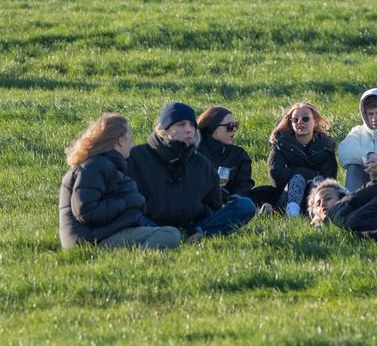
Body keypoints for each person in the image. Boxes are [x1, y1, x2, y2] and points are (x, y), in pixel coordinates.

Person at [126, 102, 256, 239]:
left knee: (245, 206)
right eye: (181, 124)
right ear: (164, 129)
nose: (188, 129)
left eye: (192, 125)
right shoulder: (136, 157)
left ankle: (197, 235)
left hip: (190, 225)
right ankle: (167, 235)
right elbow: (124, 200)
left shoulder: (202, 164)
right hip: (150, 224)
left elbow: (213, 206)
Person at [60, 113, 183, 250]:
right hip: (91, 242)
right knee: (170, 235)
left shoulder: (103, 165)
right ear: (121, 141)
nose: (132, 142)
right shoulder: (94, 167)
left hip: (98, 236)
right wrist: (126, 202)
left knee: (165, 231)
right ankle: (139, 262)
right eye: (130, 136)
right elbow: (85, 211)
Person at [267, 101, 338, 217]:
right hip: (286, 196)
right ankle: (292, 216)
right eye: (295, 120)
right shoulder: (281, 144)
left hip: (316, 195)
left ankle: (318, 214)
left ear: (315, 122)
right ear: (291, 124)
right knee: (298, 179)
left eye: (305, 119)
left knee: (319, 180)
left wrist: (310, 178)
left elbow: (329, 178)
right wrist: (305, 174)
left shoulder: (326, 146)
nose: (300, 122)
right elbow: (276, 173)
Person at [308, 179, 377, 239]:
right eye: (317, 204)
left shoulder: (341, 206)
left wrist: (351, 200)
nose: (322, 204)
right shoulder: (331, 221)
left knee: (350, 224)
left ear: (341, 196)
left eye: (328, 198)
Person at [196, 107, 255, 201]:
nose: (234, 129)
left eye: (236, 125)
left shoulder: (238, 154)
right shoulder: (195, 152)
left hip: (229, 203)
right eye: (230, 126)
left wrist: (236, 197)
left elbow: (244, 185)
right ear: (214, 128)